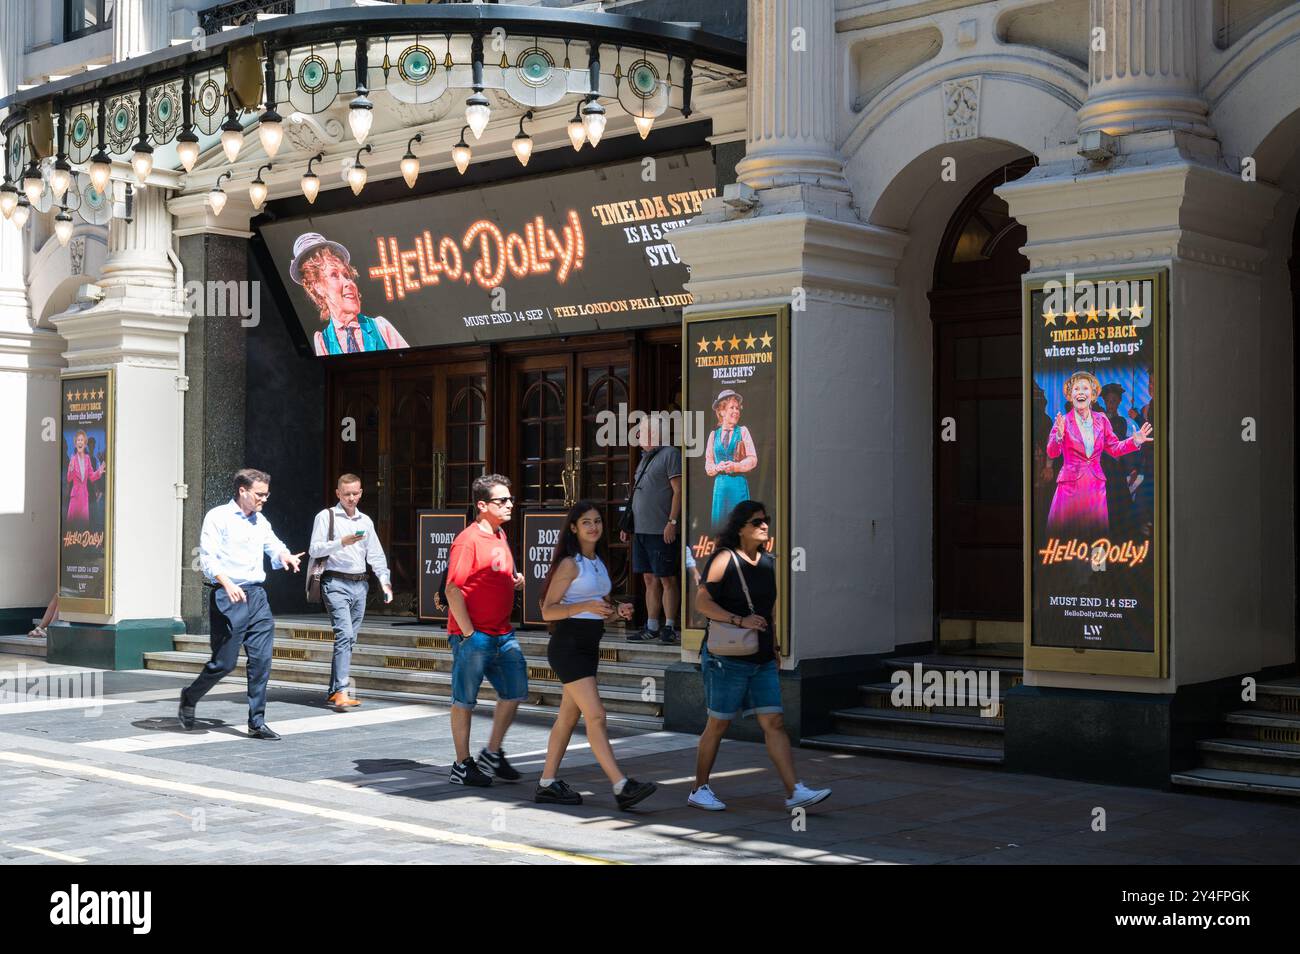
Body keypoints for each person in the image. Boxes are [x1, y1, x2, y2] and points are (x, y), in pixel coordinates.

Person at [688, 500, 831, 813]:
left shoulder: (768, 562)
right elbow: (702, 603)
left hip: (762, 657)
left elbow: (768, 612)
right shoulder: (724, 559)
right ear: (741, 529)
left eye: (766, 520)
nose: (764, 526)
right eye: (756, 522)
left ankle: (795, 791)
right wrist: (739, 620)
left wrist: (776, 648)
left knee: (775, 722)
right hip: (727, 658)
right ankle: (699, 788)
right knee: (718, 724)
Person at [535, 500, 658, 809]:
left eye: (598, 521)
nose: (593, 526)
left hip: (589, 645)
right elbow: (547, 610)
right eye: (586, 522)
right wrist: (586, 606)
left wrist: (618, 611)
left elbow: (599, 610)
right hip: (568, 647)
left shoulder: (598, 562)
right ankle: (621, 786)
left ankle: (547, 783)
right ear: (574, 528)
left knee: (567, 717)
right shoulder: (569, 563)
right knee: (597, 715)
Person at [179, 469, 305, 740]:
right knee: (224, 663)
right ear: (242, 491)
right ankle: (190, 696)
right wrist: (227, 583)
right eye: (260, 494)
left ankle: (256, 722)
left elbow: (274, 544)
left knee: (261, 661)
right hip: (229, 595)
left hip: (257, 597)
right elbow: (208, 559)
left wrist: (285, 556)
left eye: (266, 494)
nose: (264, 499)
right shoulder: (218, 517)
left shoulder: (260, 521)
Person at [444, 474, 528, 786]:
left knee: (515, 689)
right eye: (501, 500)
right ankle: (462, 764)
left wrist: (514, 580)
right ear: (482, 505)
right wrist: (468, 633)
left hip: (502, 633)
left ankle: (492, 753)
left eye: (510, 499)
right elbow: (453, 588)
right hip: (475, 635)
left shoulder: (500, 535)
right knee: (465, 700)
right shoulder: (468, 540)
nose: (509, 505)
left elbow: (494, 574)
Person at [308, 473, 394, 711]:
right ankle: (342, 690)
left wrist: (384, 582)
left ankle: (334, 691)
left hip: (360, 584)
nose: (351, 498)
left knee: (349, 638)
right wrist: (340, 543)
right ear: (338, 493)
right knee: (344, 634)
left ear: (361, 492)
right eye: (346, 494)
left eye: (355, 493)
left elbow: (375, 554)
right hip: (335, 582)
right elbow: (314, 549)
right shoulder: (326, 517)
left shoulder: (365, 521)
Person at [1046, 372, 1152, 538]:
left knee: (1094, 541)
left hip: (1095, 488)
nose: (1081, 392)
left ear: (1093, 395)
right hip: (1070, 489)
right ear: (1070, 394)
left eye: (1085, 389)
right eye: (1076, 389)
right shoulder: (1063, 421)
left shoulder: (1101, 420)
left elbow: (1114, 448)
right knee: (1068, 541)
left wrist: (1134, 441)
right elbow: (1052, 452)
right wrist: (1058, 437)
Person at [289, 232, 410, 356]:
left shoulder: (380, 327)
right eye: (334, 275)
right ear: (317, 287)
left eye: (347, 275)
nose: (348, 283)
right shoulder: (323, 342)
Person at [619, 417, 683, 644]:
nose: (638, 437)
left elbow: (678, 491)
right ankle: (652, 626)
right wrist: (629, 526)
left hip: (661, 529)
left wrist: (672, 522)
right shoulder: (645, 458)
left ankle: (669, 626)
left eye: (643, 432)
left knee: (666, 578)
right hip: (642, 531)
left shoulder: (670, 454)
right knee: (648, 578)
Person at [703, 390, 757, 529]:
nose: (736, 411)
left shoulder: (743, 431)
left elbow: (752, 459)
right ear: (721, 411)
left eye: (737, 408)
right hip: (720, 488)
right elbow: (708, 465)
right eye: (731, 408)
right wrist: (716, 467)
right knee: (720, 529)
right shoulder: (713, 435)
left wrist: (735, 466)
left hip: (738, 485)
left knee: (740, 527)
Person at [65, 429, 106, 527]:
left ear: (85, 443)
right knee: (72, 526)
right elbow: (69, 479)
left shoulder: (88, 459)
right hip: (75, 497)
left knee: (83, 526)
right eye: (78, 440)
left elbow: (91, 477)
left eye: (82, 440)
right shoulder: (73, 459)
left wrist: (99, 471)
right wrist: (70, 468)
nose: (80, 442)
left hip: (84, 497)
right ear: (75, 443)